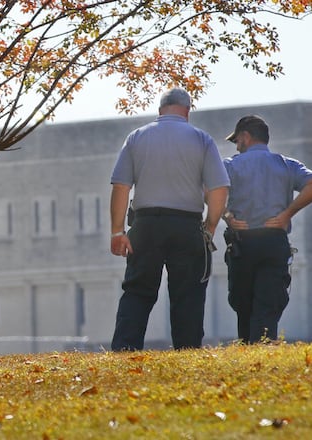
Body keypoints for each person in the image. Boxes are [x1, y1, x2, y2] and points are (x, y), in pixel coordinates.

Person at [108, 87, 229, 351]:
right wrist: (209, 227)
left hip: (146, 223)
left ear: (160, 110)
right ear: (187, 111)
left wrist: (118, 231)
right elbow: (220, 189)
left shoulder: (137, 137)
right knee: (188, 294)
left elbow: (121, 186)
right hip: (187, 225)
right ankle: (187, 351)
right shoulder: (202, 139)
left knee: (138, 289)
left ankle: (124, 349)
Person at [222, 115, 312, 344]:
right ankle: (264, 346)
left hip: (241, 241)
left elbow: (209, 190)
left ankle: (247, 346)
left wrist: (227, 216)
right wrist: (287, 214)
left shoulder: (230, 165)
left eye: (237, 140)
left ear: (245, 137)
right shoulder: (286, 164)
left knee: (242, 300)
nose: (236, 146)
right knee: (269, 299)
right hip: (274, 240)